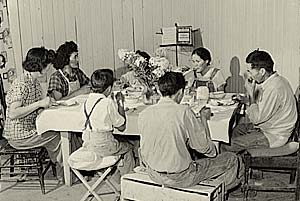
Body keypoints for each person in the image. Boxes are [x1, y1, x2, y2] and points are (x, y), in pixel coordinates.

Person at [138, 71, 243, 191]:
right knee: (232, 159)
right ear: (181, 92)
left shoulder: (144, 113)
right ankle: (215, 193)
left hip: (154, 174)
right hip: (181, 177)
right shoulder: (184, 111)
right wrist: (203, 118)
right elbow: (207, 150)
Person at [221, 49, 297, 153]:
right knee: (236, 130)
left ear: (262, 71)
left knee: (226, 145)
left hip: (274, 135)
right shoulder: (274, 81)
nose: (248, 74)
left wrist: (251, 93)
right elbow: (264, 107)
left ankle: (232, 164)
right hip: (269, 127)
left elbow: (256, 119)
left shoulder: (274, 88)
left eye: (250, 71)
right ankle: (239, 162)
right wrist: (246, 100)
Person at [3, 47, 62, 174]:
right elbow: (13, 113)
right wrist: (40, 103)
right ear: (39, 66)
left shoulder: (34, 82)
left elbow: (35, 108)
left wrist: (46, 105)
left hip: (29, 130)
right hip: (18, 136)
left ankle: (63, 169)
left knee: (60, 131)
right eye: (47, 66)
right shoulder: (22, 84)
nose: (48, 69)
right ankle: (64, 172)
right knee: (57, 136)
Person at [68, 69, 135, 178]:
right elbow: (122, 126)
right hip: (104, 146)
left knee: (120, 144)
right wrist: (120, 103)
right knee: (129, 147)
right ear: (109, 89)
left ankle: (115, 177)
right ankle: (128, 185)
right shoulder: (107, 103)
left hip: (88, 145)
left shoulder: (85, 102)